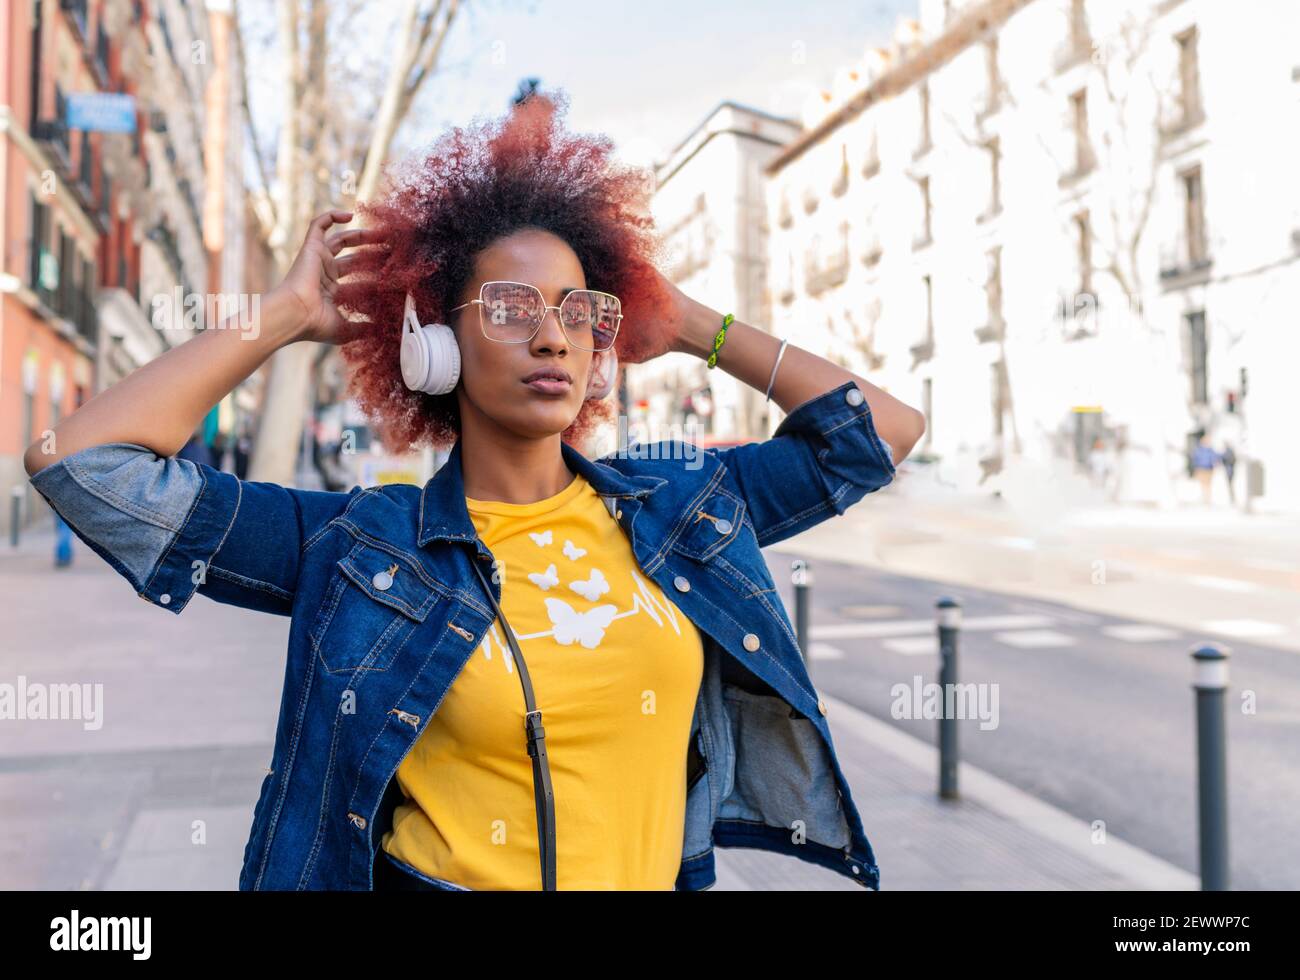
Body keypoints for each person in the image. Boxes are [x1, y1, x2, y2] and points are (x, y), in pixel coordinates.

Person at [23, 90, 924, 892]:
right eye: (508, 307)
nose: (553, 338)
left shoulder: (680, 506)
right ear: (433, 347)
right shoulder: (361, 545)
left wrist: (687, 322)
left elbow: (879, 431)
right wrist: (286, 317)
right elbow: (80, 462)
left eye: (579, 311)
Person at [1191, 434, 1220, 505]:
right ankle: (1204, 498)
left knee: (1208, 485)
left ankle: (1208, 499)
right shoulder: (1199, 450)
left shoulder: (1210, 450)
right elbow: (1195, 459)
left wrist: (1216, 463)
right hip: (1201, 469)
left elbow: (1215, 457)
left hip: (1209, 469)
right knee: (1203, 485)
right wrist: (1195, 468)